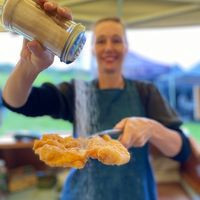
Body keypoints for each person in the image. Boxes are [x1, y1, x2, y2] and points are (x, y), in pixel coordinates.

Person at [2, 1, 191, 199]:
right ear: (92, 49)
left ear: (126, 47)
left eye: (116, 40)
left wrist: (153, 128)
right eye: (101, 41)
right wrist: (28, 66)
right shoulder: (78, 92)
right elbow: (17, 102)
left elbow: (182, 150)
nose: (109, 47)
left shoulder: (146, 92)